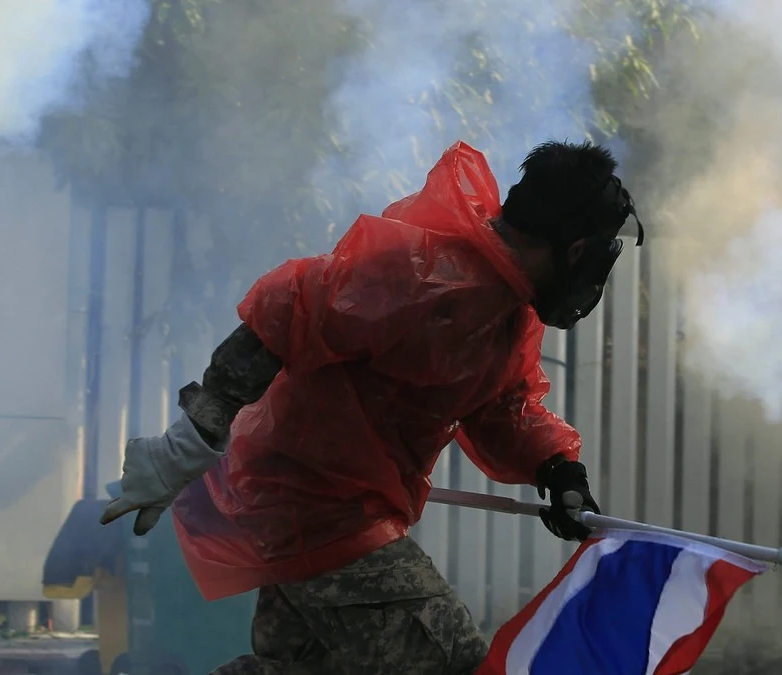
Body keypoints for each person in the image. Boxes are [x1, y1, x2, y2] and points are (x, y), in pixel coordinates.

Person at [98, 139, 645, 674]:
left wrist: (556, 467)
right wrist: (191, 438)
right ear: (578, 250)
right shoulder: (428, 276)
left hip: (332, 510)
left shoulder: (503, 307)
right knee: (445, 662)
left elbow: (503, 406)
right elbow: (288, 307)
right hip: (317, 506)